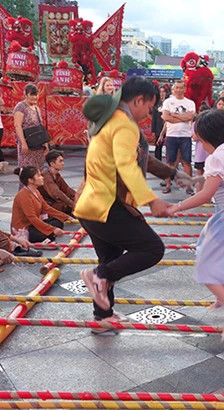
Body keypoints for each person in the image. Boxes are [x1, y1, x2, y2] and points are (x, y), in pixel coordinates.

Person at [76, 77, 193, 332]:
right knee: (152, 249)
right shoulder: (123, 124)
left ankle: (103, 316)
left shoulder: (112, 121)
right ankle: (98, 279)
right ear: (138, 100)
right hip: (107, 205)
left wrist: (173, 175)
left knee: (111, 258)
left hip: (92, 206)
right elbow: (126, 165)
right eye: (150, 107)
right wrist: (151, 201)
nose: (150, 113)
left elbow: (143, 159)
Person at [166, 110, 224, 338]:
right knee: (207, 243)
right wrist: (196, 179)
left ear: (209, 137)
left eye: (199, 138)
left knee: (206, 267)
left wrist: (177, 207)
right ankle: (221, 296)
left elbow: (206, 195)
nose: (198, 141)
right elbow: (221, 179)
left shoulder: (216, 157)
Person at [12, 166, 70, 243]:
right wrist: (52, 229)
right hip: (25, 228)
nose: (42, 177)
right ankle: (48, 237)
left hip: (33, 224)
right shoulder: (23, 196)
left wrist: (66, 217)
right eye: (39, 176)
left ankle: (49, 236)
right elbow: (32, 218)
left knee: (57, 222)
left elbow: (47, 208)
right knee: (47, 233)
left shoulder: (36, 191)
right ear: (30, 180)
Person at [161, 80, 196, 194]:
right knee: (170, 161)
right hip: (171, 135)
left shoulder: (190, 103)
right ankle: (167, 184)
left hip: (185, 135)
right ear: (173, 89)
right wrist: (182, 117)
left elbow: (190, 117)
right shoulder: (168, 102)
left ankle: (188, 186)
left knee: (186, 161)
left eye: (181, 88)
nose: (179, 90)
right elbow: (166, 117)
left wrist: (174, 115)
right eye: (177, 88)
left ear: (185, 89)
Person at [13, 84, 48, 171]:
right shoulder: (21, 107)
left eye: (36, 95)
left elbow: (40, 126)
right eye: (31, 95)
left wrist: (45, 143)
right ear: (26, 94)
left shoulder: (36, 108)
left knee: (38, 170)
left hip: (38, 145)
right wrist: (23, 143)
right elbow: (18, 126)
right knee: (27, 170)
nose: (34, 97)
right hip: (27, 144)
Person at [40, 150, 76, 214]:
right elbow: (56, 193)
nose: (63, 163)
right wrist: (72, 203)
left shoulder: (57, 175)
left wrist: (79, 196)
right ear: (52, 164)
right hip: (48, 204)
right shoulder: (46, 176)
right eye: (60, 161)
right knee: (66, 204)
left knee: (76, 199)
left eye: (63, 161)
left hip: (54, 201)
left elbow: (67, 189)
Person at [152, 84, 168, 161]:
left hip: (168, 128)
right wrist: (153, 130)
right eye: (160, 92)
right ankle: (157, 161)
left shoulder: (169, 102)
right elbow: (154, 118)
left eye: (163, 92)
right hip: (159, 127)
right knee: (158, 146)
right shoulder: (156, 103)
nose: (162, 93)